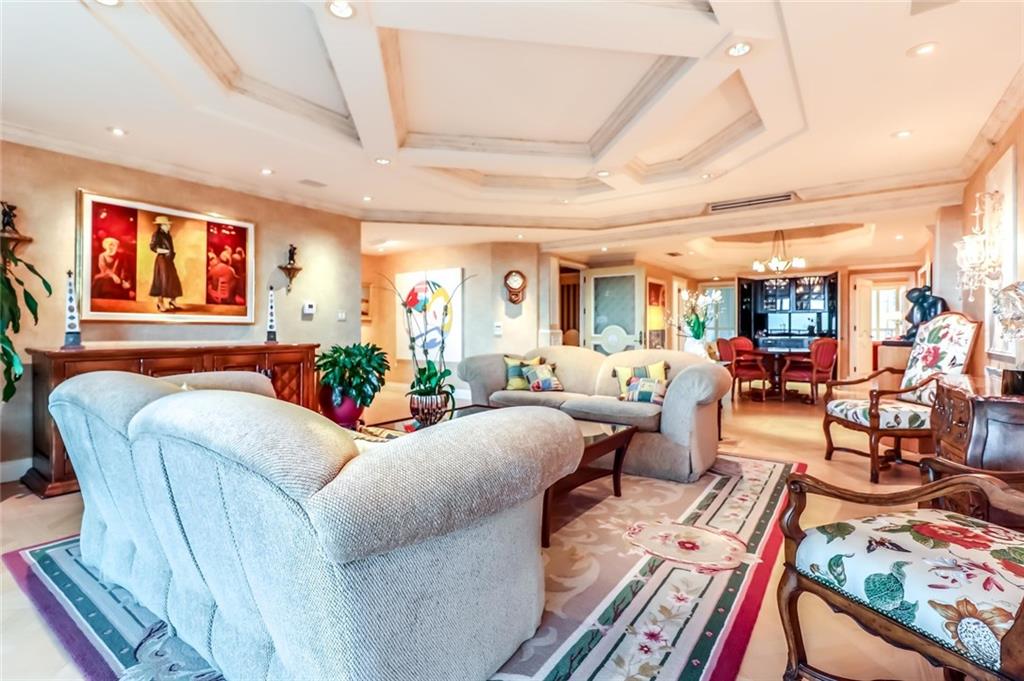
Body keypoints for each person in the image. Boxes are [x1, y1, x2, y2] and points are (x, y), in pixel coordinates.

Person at [149, 215, 183, 311]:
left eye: (168, 224)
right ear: (161, 225)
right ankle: (160, 303)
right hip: (162, 261)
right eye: (167, 224)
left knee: (173, 280)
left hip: (168, 260)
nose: (169, 226)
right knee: (162, 281)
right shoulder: (157, 234)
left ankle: (173, 301)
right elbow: (153, 247)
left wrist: (170, 253)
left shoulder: (168, 235)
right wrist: (166, 251)